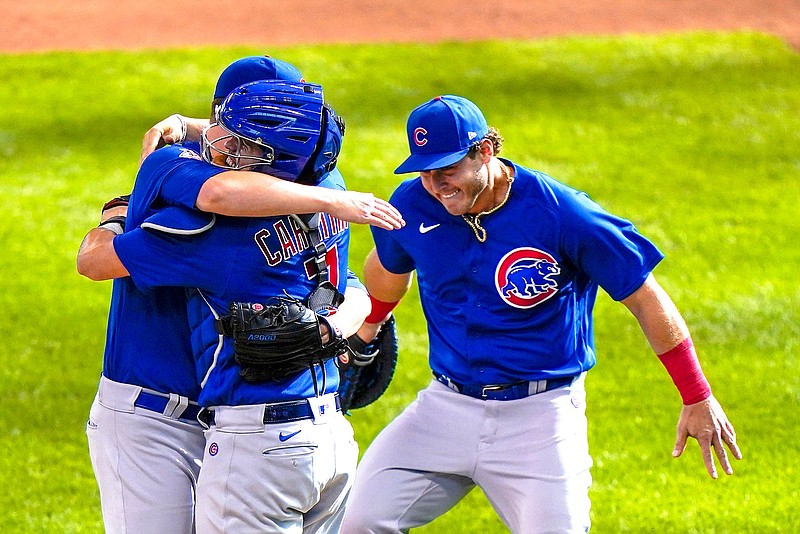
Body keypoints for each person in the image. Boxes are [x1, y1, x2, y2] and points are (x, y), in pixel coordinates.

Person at [340, 95, 742, 533]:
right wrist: (370, 325)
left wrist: (696, 394)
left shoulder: (563, 213)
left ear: (486, 152)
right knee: (361, 521)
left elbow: (645, 298)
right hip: (446, 407)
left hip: (540, 419)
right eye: (425, 171)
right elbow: (388, 264)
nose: (436, 185)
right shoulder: (414, 204)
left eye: (448, 169)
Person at [77, 55, 401, 534]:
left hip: (236, 427)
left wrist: (115, 218)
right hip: (152, 419)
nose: (222, 144)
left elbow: (93, 259)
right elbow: (339, 281)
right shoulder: (329, 188)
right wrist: (344, 321)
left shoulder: (205, 216)